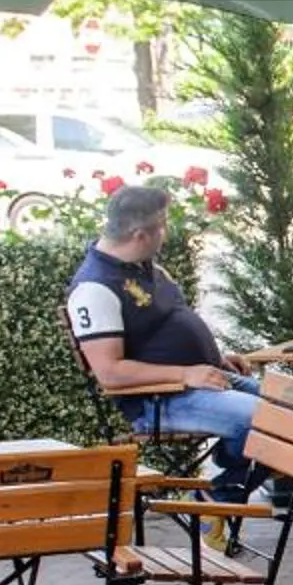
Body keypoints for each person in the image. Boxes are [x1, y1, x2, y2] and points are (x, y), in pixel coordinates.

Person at [67, 183, 266, 503]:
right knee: (266, 420)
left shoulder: (145, 268)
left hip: (205, 378)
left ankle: (225, 481)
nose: (166, 233)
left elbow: (171, 323)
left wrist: (215, 358)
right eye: (162, 226)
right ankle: (214, 499)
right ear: (139, 235)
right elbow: (110, 373)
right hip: (162, 400)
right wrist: (185, 374)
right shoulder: (95, 289)